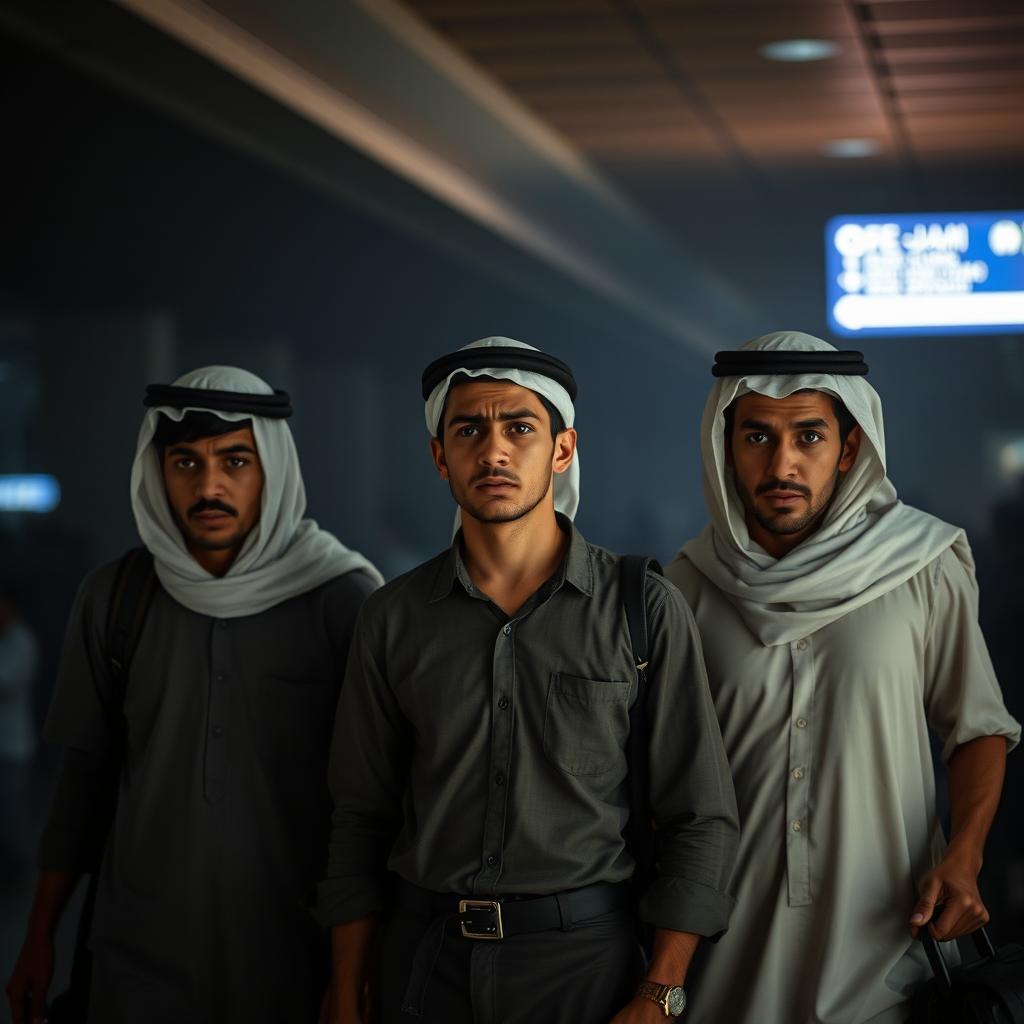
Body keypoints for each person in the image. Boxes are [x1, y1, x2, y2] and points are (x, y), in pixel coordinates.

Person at [318, 336, 738, 1024]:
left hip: (585, 967)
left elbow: (701, 816)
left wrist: (659, 993)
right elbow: (358, 819)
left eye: (519, 427)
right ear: (439, 457)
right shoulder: (391, 618)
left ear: (563, 449)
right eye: (468, 431)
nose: (494, 451)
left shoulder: (641, 607)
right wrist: (345, 988)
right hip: (425, 966)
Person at [5, 366, 382, 1024]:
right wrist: (38, 936)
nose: (209, 486)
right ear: (158, 472)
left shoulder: (342, 600)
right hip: (137, 957)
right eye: (185, 462)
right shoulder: (114, 598)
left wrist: (357, 973)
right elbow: (80, 785)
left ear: (272, 469)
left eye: (235, 461)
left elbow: (375, 806)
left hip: (293, 959)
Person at [666, 331, 1020, 1024]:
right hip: (720, 970)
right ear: (725, 448)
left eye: (809, 436)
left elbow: (978, 727)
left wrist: (966, 855)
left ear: (849, 449)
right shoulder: (684, 588)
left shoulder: (924, 563)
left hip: (887, 966)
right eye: (758, 438)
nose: (783, 463)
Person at [0, 581, 39, 875]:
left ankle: (22, 867)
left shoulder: (22, 640)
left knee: (12, 811)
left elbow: (7, 683)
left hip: (13, 744)